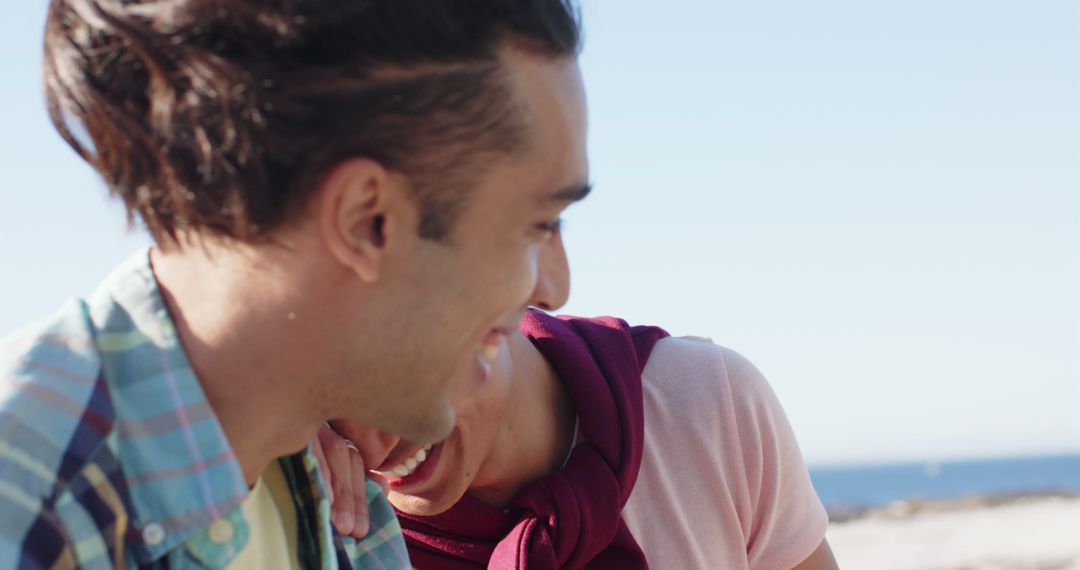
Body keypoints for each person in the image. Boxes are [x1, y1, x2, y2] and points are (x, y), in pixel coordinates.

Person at [0, 1, 588, 568]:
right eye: (537, 223)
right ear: (366, 220)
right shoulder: (29, 503)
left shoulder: (346, 514)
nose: (552, 289)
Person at [326, 307, 840, 569]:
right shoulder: (316, 522)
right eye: (320, 397)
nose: (367, 445)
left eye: (386, 374)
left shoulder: (707, 403)